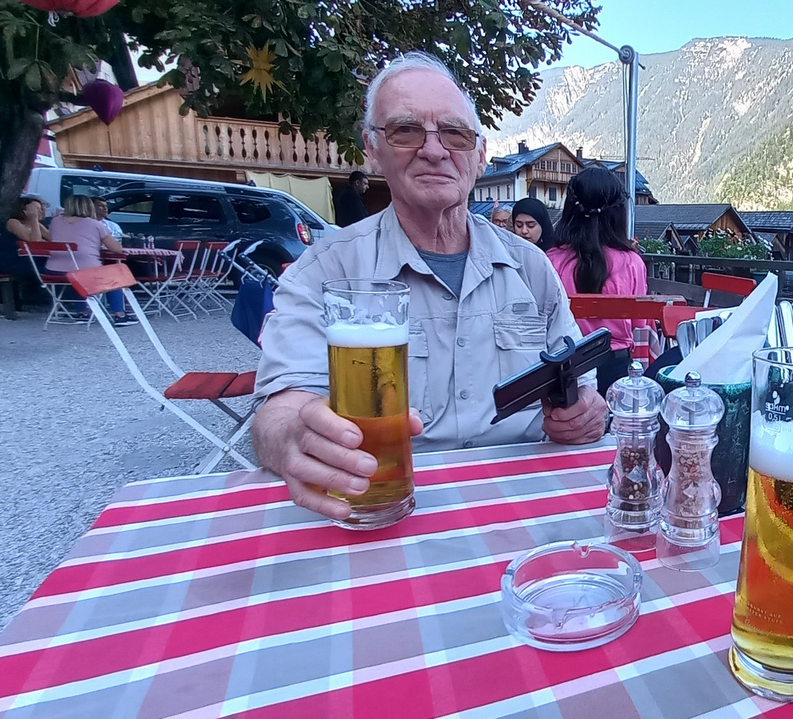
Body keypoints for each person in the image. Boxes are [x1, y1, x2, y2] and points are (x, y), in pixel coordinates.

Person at [252, 52, 608, 522]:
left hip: (523, 501)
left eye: (455, 134)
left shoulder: (531, 266)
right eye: (406, 131)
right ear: (371, 148)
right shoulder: (327, 269)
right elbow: (280, 409)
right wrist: (296, 438)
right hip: (384, 504)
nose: (435, 151)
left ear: (480, 155)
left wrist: (581, 414)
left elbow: (580, 387)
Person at [545, 168, 648, 394]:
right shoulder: (632, 263)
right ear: (618, 212)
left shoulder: (549, 262)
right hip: (617, 368)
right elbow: (641, 324)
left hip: (566, 369)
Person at [45, 194, 136, 326]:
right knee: (114, 275)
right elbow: (117, 249)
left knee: (74, 272)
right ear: (89, 207)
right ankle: (119, 315)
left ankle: (82, 312)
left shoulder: (55, 222)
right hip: (84, 271)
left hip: (53, 271)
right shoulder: (95, 224)